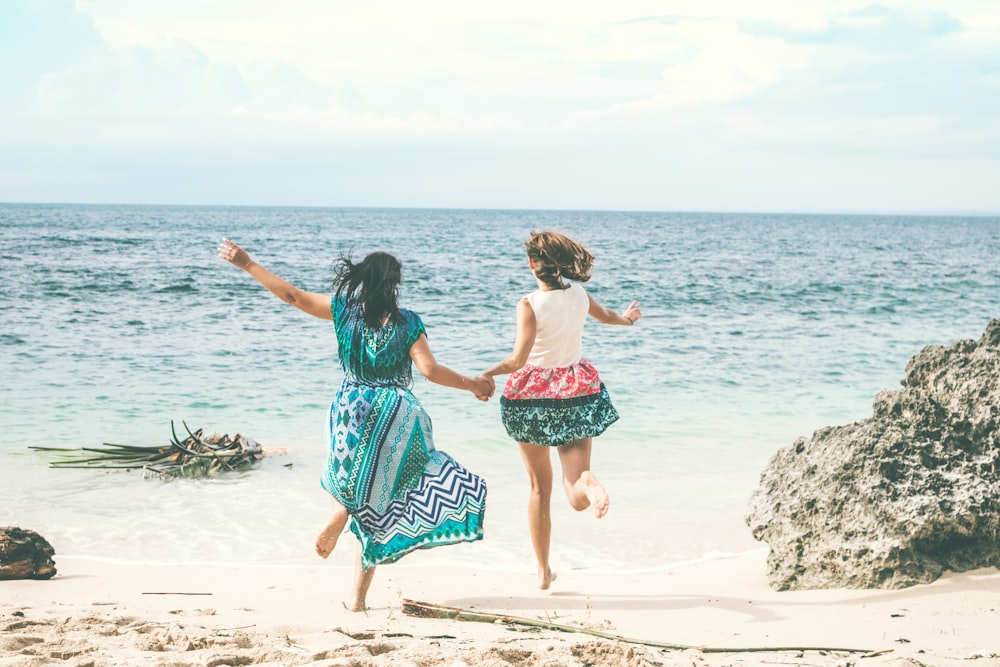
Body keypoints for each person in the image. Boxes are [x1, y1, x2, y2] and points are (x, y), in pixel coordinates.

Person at [218, 238, 492, 611]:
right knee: (380, 506)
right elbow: (430, 370)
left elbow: (293, 297)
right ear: (394, 284)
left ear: (363, 280)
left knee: (345, 483)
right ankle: (357, 597)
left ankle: (340, 510)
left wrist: (248, 264)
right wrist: (474, 384)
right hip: (396, 412)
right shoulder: (407, 322)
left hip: (352, 407)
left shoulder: (345, 311)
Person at [482, 230, 641, 590]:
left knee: (540, 488)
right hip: (576, 391)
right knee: (576, 492)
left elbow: (518, 359)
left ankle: (542, 571)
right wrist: (629, 319)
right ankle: (588, 481)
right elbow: (610, 317)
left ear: (531, 265)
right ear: (564, 264)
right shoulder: (580, 295)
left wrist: (485, 374)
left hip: (532, 399)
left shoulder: (529, 304)